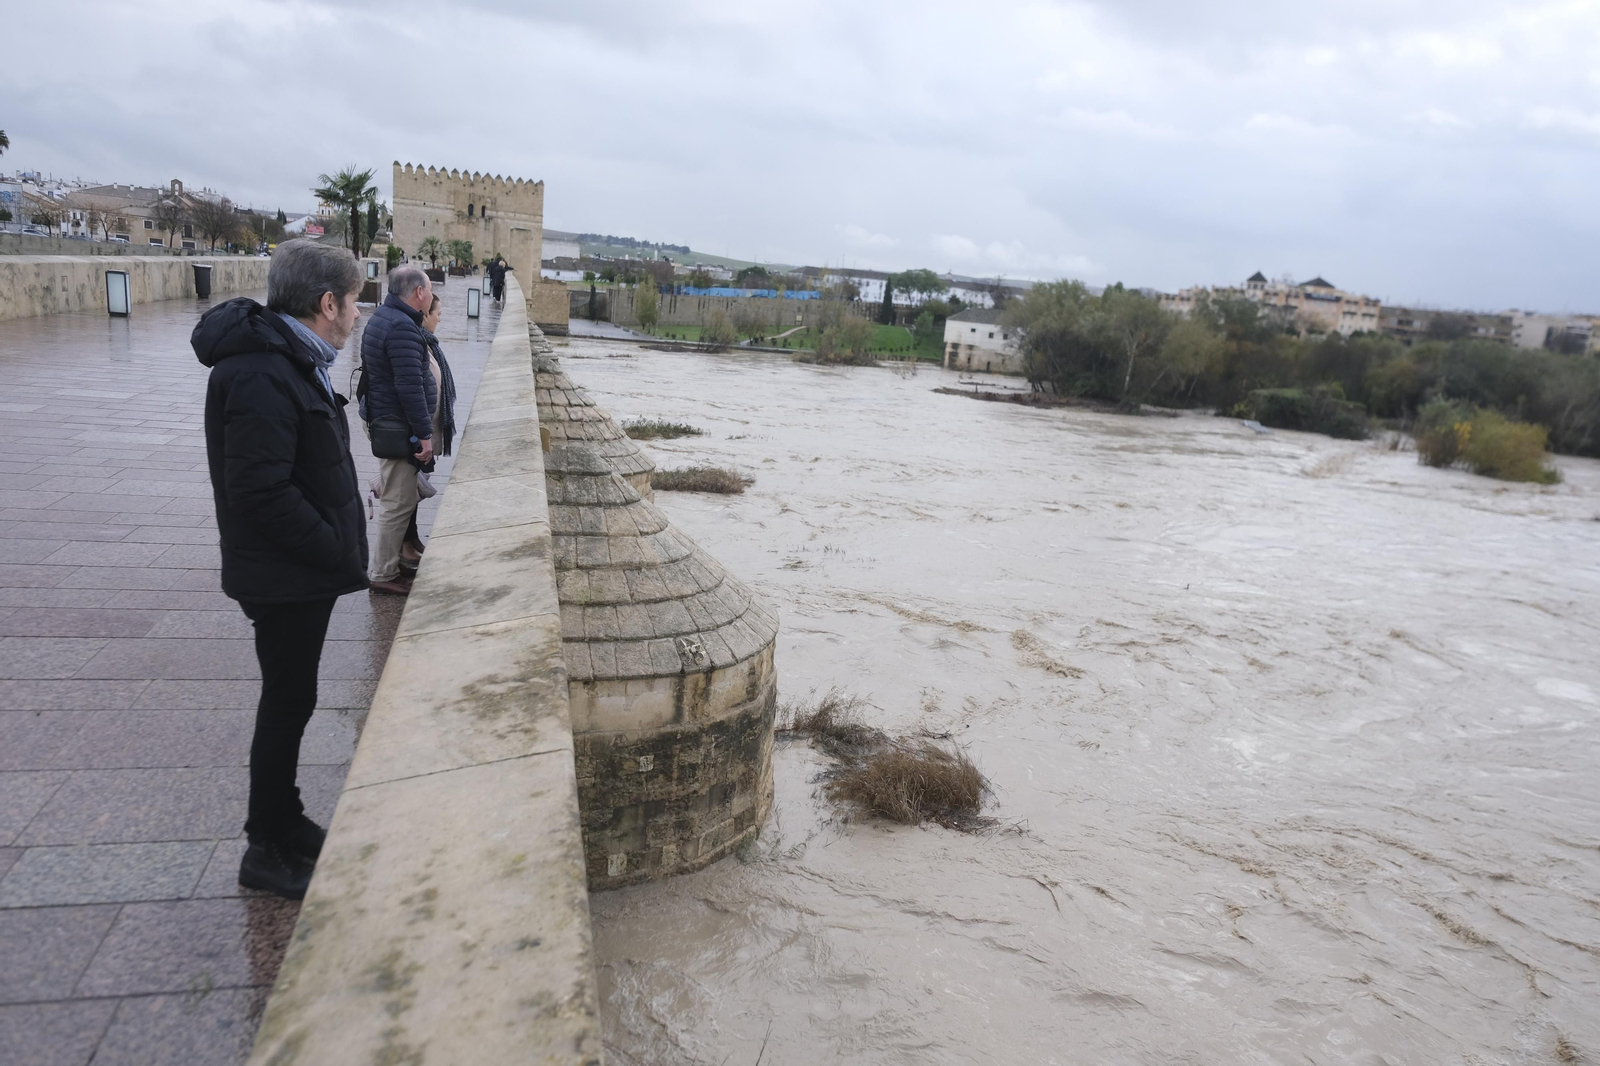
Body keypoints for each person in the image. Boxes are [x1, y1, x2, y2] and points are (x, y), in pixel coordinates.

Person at [192, 239, 367, 900]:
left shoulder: (289, 358)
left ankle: (285, 820)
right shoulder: (265, 371)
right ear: (327, 304)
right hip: (285, 573)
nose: (356, 316)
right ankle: (265, 847)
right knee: (286, 702)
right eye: (352, 303)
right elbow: (260, 491)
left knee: (293, 699)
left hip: (292, 569)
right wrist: (331, 544)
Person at [361, 264, 436, 594]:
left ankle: (392, 563)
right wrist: (424, 434)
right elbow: (409, 386)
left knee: (400, 494)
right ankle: (383, 573)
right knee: (398, 502)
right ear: (418, 292)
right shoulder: (403, 327)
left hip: (383, 418)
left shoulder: (383, 316)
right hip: (396, 424)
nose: (432, 296)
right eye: (430, 290)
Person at [397, 293, 458, 573]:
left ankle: (412, 539)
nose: (440, 319)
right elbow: (414, 389)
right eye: (437, 314)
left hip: (424, 430)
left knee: (416, 487)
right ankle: (403, 547)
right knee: (409, 489)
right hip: (416, 431)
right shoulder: (418, 342)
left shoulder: (428, 342)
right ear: (425, 315)